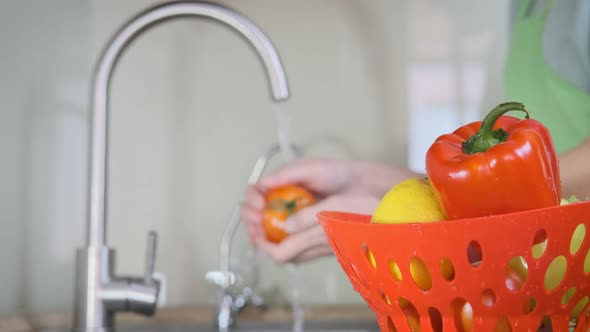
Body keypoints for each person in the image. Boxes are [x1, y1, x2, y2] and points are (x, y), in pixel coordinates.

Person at [241, 0, 590, 264]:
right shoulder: (526, 5)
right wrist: (361, 179)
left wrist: (392, 222)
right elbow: (505, 186)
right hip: (550, 280)